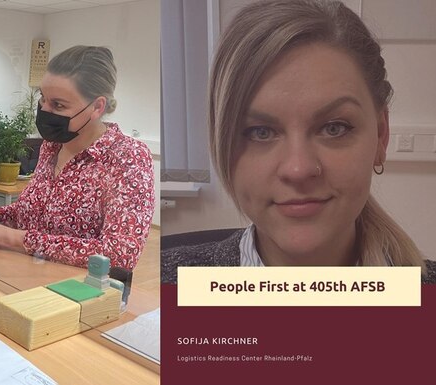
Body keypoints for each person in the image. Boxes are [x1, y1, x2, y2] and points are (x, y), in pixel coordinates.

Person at [162, 0, 436, 283]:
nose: (298, 169)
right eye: (260, 132)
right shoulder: (168, 288)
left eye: (334, 128)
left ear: (381, 135)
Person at [0, 46, 155, 270]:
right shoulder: (52, 146)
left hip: (75, 291)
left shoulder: (127, 157)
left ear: (97, 107)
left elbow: (120, 255)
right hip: (23, 274)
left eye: (58, 105)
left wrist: (16, 239)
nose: (45, 110)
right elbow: (36, 213)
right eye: (43, 99)